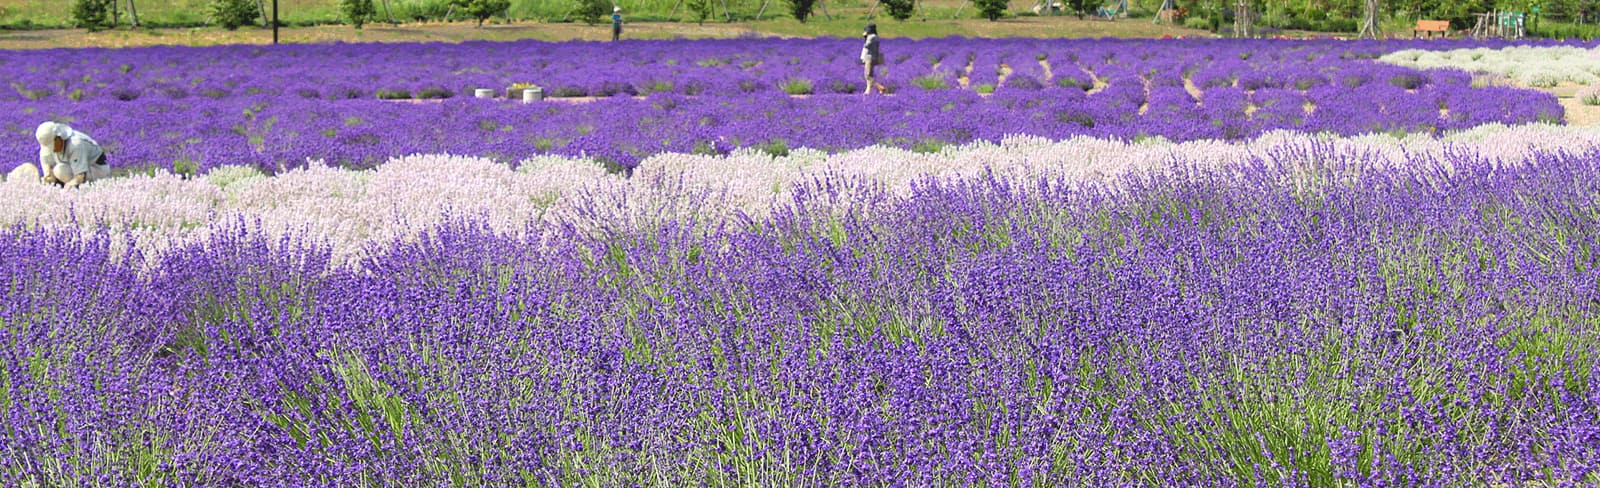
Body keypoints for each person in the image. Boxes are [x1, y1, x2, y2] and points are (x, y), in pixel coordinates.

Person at [35, 121, 110, 189]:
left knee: (59, 170)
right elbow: (48, 172)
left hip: (96, 168)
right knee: (58, 171)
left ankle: (84, 189)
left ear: (58, 139)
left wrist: (70, 185)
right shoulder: (47, 145)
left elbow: (80, 176)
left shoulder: (75, 144)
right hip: (73, 167)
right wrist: (48, 178)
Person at [861, 24, 887, 95]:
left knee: (867, 76)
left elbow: (866, 46)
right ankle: (868, 91)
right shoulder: (876, 37)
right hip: (874, 57)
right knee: (871, 74)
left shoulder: (871, 37)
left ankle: (880, 87)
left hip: (869, 57)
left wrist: (865, 37)